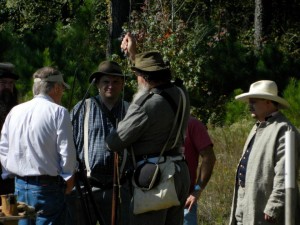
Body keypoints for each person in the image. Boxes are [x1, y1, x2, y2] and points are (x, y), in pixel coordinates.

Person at [106, 33, 191, 225]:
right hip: (179, 172)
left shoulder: (146, 105)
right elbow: (151, 85)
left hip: (156, 177)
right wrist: (133, 54)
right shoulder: (180, 92)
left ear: (144, 78)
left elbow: (114, 142)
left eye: (138, 75)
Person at [0, 66, 77, 225]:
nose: (62, 93)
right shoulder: (59, 112)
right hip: (47, 187)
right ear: (56, 87)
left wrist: (9, 173)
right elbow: (67, 152)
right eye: (62, 88)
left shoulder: (15, 111)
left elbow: (4, 148)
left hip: (19, 185)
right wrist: (69, 178)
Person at [229, 80, 300, 225]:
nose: (250, 105)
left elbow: (287, 174)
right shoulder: (257, 127)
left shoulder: (284, 129)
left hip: (266, 211)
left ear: (268, 102)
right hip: (246, 204)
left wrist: (274, 205)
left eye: (254, 101)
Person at [69, 60, 131, 225]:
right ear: (97, 84)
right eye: (106, 81)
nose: (111, 85)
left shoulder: (130, 110)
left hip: (119, 189)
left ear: (122, 84)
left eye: (116, 81)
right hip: (87, 188)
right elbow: (68, 147)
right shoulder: (82, 108)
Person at [183, 116, 216, 225]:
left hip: (185, 201)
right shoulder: (155, 124)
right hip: (155, 200)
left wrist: (197, 189)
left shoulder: (191, 124)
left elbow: (209, 157)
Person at [0, 62, 19, 197]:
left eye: (10, 83)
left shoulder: (17, 109)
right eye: (3, 82)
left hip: (11, 173)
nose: (7, 87)